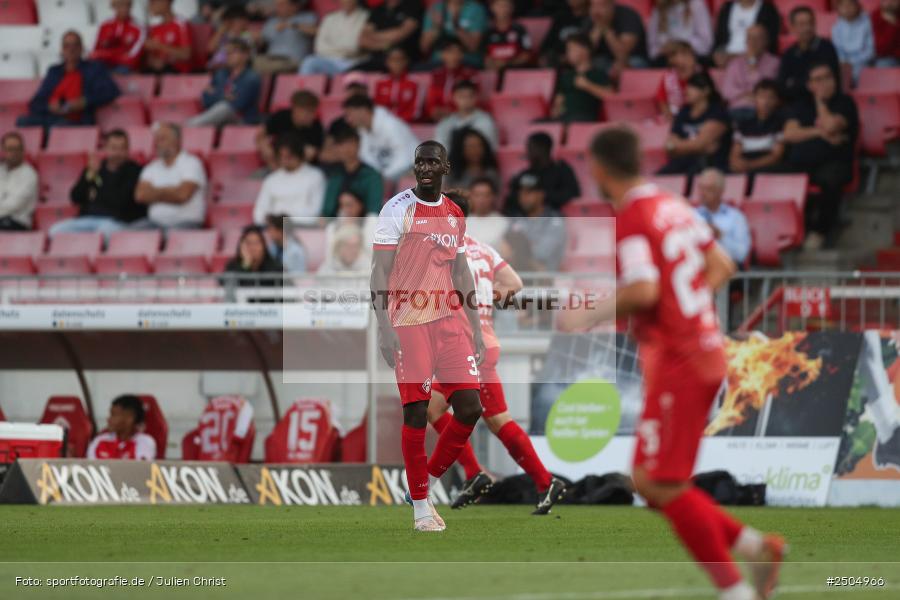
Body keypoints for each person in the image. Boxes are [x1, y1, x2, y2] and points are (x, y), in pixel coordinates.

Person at [559, 125, 786, 600]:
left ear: (598, 168)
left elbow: (644, 290)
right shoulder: (673, 205)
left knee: (658, 482)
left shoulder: (634, 217)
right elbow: (722, 265)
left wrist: (587, 313)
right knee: (656, 480)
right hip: (705, 348)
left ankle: (737, 588)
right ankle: (754, 548)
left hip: (680, 359)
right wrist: (691, 314)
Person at [370, 140, 485, 532]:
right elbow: (378, 272)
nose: (425, 167)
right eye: (419, 161)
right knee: (416, 410)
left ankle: (429, 479)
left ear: (445, 167)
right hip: (409, 321)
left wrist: (476, 328)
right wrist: (384, 328)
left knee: (470, 407)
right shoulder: (397, 210)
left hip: (450, 321)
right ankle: (421, 507)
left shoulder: (454, 214)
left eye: (432, 161)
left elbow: (462, 272)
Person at [429, 193, 566, 514]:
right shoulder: (482, 248)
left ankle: (480, 474)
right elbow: (516, 283)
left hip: (463, 346)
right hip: (484, 344)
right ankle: (539, 482)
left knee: (440, 410)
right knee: (489, 417)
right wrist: (489, 300)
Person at [783, 61, 859, 250]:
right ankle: (787, 232)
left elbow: (831, 125)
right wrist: (819, 133)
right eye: (818, 79)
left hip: (834, 162)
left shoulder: (845, 103)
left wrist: (820, 102)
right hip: (802, 163)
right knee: (771, 176)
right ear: (809, 85)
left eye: (828, 77)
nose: (824, 83)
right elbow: (790, 134)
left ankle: (820, 232)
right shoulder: (801, 105)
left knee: (831, 180)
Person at [50, 129, 144, 239]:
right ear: (106, 148)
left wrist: (100, 190)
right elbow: (75, 197)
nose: (118, 153)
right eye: (114, 148)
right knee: (56, 231)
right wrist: (89, 176)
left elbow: (121, 202)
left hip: (115, 221)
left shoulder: (134, 171)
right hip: (87, 219)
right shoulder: (96, 168)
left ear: (128, 150)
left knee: (104, 233)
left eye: (122, 148)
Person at [17, 31, 120, 128]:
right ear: (62, 49)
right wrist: (50, 107)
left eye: (75, 45)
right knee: (22, 122)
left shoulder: (93, 69)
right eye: (67, 46)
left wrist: (84, 102)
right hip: (51, 117)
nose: (71, 49)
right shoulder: (54, 71)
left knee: (58, 127)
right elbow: (36, 102)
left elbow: (110, 91)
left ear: (81, 48)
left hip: (77, 121)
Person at [134, 123, 208, 230]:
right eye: (157, 139)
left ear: (177, 141)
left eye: (163, 139)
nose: (157, 143)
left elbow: (182, 195)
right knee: (123, 236)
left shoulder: (192, 163)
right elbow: (140, 195)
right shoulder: (151, 167)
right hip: (155, 223)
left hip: (186, 223)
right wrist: (172, 190)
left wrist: (154, 192)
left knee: (173, 238)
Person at [659, 72, 731, 175]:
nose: (686, 90)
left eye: (692, 86)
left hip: (709, 167)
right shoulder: (684, 112)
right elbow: (669, 146)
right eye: (687, 86)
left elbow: (699, 144)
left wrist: (677, 146)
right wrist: (697, 146)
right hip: (680, 165)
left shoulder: (717, 112)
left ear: (706, 90)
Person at [342, 94, 419, 182]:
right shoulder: (362, 131)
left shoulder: (391, 125)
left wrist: (382, 177)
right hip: (388, 178)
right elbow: (367, 159)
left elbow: (405, 158)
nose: (348, 120)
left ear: (363, 110)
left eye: (349, 114)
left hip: (411, 173)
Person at [254, 131, 325, 225]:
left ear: (299, 154)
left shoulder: (315, 176)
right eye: (281, 156)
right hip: (275, 230)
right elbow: (259, 213)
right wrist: (275, 222)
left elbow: (316, 211)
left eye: (289, 156)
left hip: (304, 229)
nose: (285, 160)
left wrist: (288, 221)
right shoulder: (271, 180)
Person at [187, 39, 261, 127]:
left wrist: (215, 93)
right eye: (227, 52)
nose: (228, 55)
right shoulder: (220, 74)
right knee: (221, 108)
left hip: (241, 121)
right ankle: (189, 126)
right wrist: (225, 96)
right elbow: (205, 99)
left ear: (245, 55)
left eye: (233, 52)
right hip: (217, 118)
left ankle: (188, 127)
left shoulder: (251, 78)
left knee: (224, 108)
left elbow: (239, 104)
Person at [505, 171, 567, 271]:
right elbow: (504, 252)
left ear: (541, 194)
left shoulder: (554, 221)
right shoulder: (515, 220)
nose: (523, 196)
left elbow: (542, 254)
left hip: (548, 281)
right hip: (520, 279)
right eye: (521, 192)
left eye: (528, 192)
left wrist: (519, 247)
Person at [777, 7, 841, 103]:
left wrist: (794, 83)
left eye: (810, 23)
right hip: (795, 105)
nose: (807, 28)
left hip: (825, 103)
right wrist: (807, 83)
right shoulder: (789, 53)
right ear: (792, 27)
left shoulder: (826, 48)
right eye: (802, 24)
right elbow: (781, 86)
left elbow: (825, 84)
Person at [505, 132, 580, 213]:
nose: (527, 153)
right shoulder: (526, 174)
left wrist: (543, 195)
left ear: (543, 149)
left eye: (531, 148)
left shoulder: (561, 170)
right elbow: (511, 198)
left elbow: (572, 193)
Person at [321, 123, 384, 217]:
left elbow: (374, 211)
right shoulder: (334, 175)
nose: (346, 149)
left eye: (350, 143)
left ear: (358, 144)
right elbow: (327, 211)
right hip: (335, 226)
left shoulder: (372, 176)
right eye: (341, 144)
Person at [552, 32, 614, 122]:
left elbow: (611, 96)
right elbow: (559, 100)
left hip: (584, 118)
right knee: (538, 124)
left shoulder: (598, 74)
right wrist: (556, 109)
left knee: (574, 121)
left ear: (585, 50)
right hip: (564, 117)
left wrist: (588, 86)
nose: (568, 53)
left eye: (571, 49)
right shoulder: (567, 75)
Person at [693, 168, 751, 265]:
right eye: (701, 188)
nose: (702, 193)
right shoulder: (691, 215)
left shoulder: (736, 217)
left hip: (728, 271)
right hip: (698, 269)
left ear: (720, 191)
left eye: (708, 189)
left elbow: (741, 255)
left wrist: (720, 236)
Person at [721, 24, 780, 119]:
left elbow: (764, 88)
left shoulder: (774, 63)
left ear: (766, 41)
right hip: (735, 109)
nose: (753, 42)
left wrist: (752, 63)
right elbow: (727, 91)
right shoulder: (735, 63)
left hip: (759, 110)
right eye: (750, 38)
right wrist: (747, 94)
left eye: (758, 38)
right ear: (745, 41)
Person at [729, 79, 785, 176]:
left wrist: (751, 165)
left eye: (771, 97)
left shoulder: (781, 124)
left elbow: (776, 155)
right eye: (762, 97)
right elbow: (734, 154)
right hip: (744, 167)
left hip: (766, 169)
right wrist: (737, 163)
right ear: (754, 98)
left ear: (778, 101)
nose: (766, 102)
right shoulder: (743, 125)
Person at [299, 0, 369, 75]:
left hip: (353, 62)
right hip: (329, 60)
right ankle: (302, 87)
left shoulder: (365, 17)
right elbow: (319, 47)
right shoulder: (330, 18)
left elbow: (354, 46)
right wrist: (343, 49)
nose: (345, 1)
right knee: (309, 62)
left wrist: (334, 46)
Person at [259, 90, 323, 172]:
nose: (312, 116)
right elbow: (260, 135)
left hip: (301, 171)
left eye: (314, 112)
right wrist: (266, 148)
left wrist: (284, 169)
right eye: (309, 112)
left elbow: (310, 154)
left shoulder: (316, 127)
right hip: (275, 165)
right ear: (296, 109)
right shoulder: (281, 116)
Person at [357, 0, 423, 72]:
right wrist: (386, 45)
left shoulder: (413, 5)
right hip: (378, 60)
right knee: (353, 75)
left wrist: (374, 35)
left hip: (406, 61)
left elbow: (401, 33)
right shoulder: (378, 9)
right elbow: (362, 40)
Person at [584, 0, 648, 73]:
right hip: (605, 60)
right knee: (589, 65)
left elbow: (623, 54)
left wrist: (606, 29)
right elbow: (585, 52)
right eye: (593, 5)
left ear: (611, 6)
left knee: (634, 63)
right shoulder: (591, 20)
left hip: (633, 58)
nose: (596, 10)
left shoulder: (628, 16)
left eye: (601, 5)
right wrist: (597, 28)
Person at [255, 0, 318, 75]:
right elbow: (262, 42)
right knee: (251, 61)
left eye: (282, 5)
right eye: (277, 5)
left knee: (258, 67)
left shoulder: (307, 17)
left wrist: (291, 25)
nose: (278, 8)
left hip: (292, 60)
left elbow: (316, 31)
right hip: (271, 58)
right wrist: (257, 39)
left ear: (294, 6)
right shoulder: (271, 21)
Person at [424, 37, 479, 122]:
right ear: (442, 54)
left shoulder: (470, 74)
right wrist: (433, 111)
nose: (454, 55)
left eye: (458, 52)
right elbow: (431, 101)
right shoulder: (436, 75)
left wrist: (452, 112)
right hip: (439, 118)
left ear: (462, 55)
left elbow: (473, 100)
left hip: (463, 117)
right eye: (450, 52)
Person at [420, 0, 489, 68]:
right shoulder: (435, 8)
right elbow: (424, 47)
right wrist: (436, 28)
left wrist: (457, 27)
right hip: (439, 61)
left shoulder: (476, 9)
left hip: (467, 60)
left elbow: (473, 47)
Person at [87, 395, 156, 460]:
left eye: (113, 415)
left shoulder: (145, 441)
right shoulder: (100, 440)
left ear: (129, 418)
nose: (109, 419)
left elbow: (140, 469)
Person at [712, 0, 781, 66]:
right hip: (726, 56)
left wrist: (737, 57)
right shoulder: (726, 8)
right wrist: (718, 54)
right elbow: (719, 39)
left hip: (753, 58)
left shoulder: (768, 10)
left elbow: (769, 43)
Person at [434, 80, 498, 150]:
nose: (466, 100)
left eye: (470, 96)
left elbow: (490, 149)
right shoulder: (446, 122)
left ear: (476, 97)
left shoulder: (485, 121)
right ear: (453, 97)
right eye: (462, 96)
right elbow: (439, 149)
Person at [647, 0, 713, 64]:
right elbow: (652, 51)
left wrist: (680, 46)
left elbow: (706, 45)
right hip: (664, 61)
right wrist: (664, 49)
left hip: (695, 59)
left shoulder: (697, 5)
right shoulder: (659, 9)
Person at [90, 0, 146, 72]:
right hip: (102, 64)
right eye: (120, 4)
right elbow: (92, 52)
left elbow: (132, 58)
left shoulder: (139, 27)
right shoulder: (103, 25)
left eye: (127, 5)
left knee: (122, 70)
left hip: (124, 67)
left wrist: (105, 55)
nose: (124, 8)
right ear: (113, 6)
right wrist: (117, 54)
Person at [655, 40, 703, 121]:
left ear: (693, 57)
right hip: (676, 117)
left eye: (684, 54)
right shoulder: (668, 77)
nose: (679, 59)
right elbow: (662, 100)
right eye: (673, 56)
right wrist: (670, 117)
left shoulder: (702, 74)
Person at [0, 132, 38, 231]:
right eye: (10, 149)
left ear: (23, 150)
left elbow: (14, 205)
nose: (14, 153)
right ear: (3, 150)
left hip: (17, 221)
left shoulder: (29, 174)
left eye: (18, 149)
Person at [372, 47, 421, 123]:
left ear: (406, 61)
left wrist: (397, 123)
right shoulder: (380, 83)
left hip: (408, 124)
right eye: (393, 59)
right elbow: (376, 107)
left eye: (399, 59)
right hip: (384, 125)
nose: (396, 63)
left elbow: (416, 111)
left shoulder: (415, 83)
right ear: (387, 62)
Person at [144, 0, 193, 74]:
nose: (150, 5)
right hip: (157, 73)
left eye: (153, 1)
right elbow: (149, 58)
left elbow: (186, 55)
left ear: (166, 2)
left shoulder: (181, 24)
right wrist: (153, 62)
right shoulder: (154, 28)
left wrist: (159, 46)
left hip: (177, 73)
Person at [833, 0, 875, 83]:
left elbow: (870, 51)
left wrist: (852, 62)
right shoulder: (836, 28)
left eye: (850, 5)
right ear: (838, 9)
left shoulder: (868, 23)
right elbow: (838, 51)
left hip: (864, 63)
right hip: (844, 65)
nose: (847, 9)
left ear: (857, 6)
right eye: (843, 6)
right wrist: (844, 63)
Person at [483, 0, 533, 71]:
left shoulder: (520, 30)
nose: (503, 9)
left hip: (516, 72)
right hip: (495, 73)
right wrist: (493, 66)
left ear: (512, 8)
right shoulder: (488, 32)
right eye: (499, 5)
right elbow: (486, 59)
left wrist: (507, 63)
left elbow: (527, 55)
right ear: (492, 8)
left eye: (506, 5)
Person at [541, 0, 590, 67]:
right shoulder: (561, 17)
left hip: (581, 59)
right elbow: (546, 45)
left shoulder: (590, 18)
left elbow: (590, 45)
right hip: (558, 60)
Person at [206, 4, 254, 70]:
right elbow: (210, 49)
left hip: (238, 65)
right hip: (218, 64)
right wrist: (220, 31)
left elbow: (248, 54)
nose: (237, 24)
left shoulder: (247, 35)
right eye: (234, 21)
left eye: (240, 21)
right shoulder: (223, 34)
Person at [465, 177, 508, 248]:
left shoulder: (503, 223)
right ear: (470, 196)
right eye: (477, 195)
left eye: (486, 195)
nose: (481, 200)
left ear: (493, 197)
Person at [872, 0, 900, 66]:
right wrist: (892, 25)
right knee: (883, 63)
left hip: (895, 55)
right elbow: (880, 50)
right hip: (886, 58)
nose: (890, 2)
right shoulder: (874, 17)